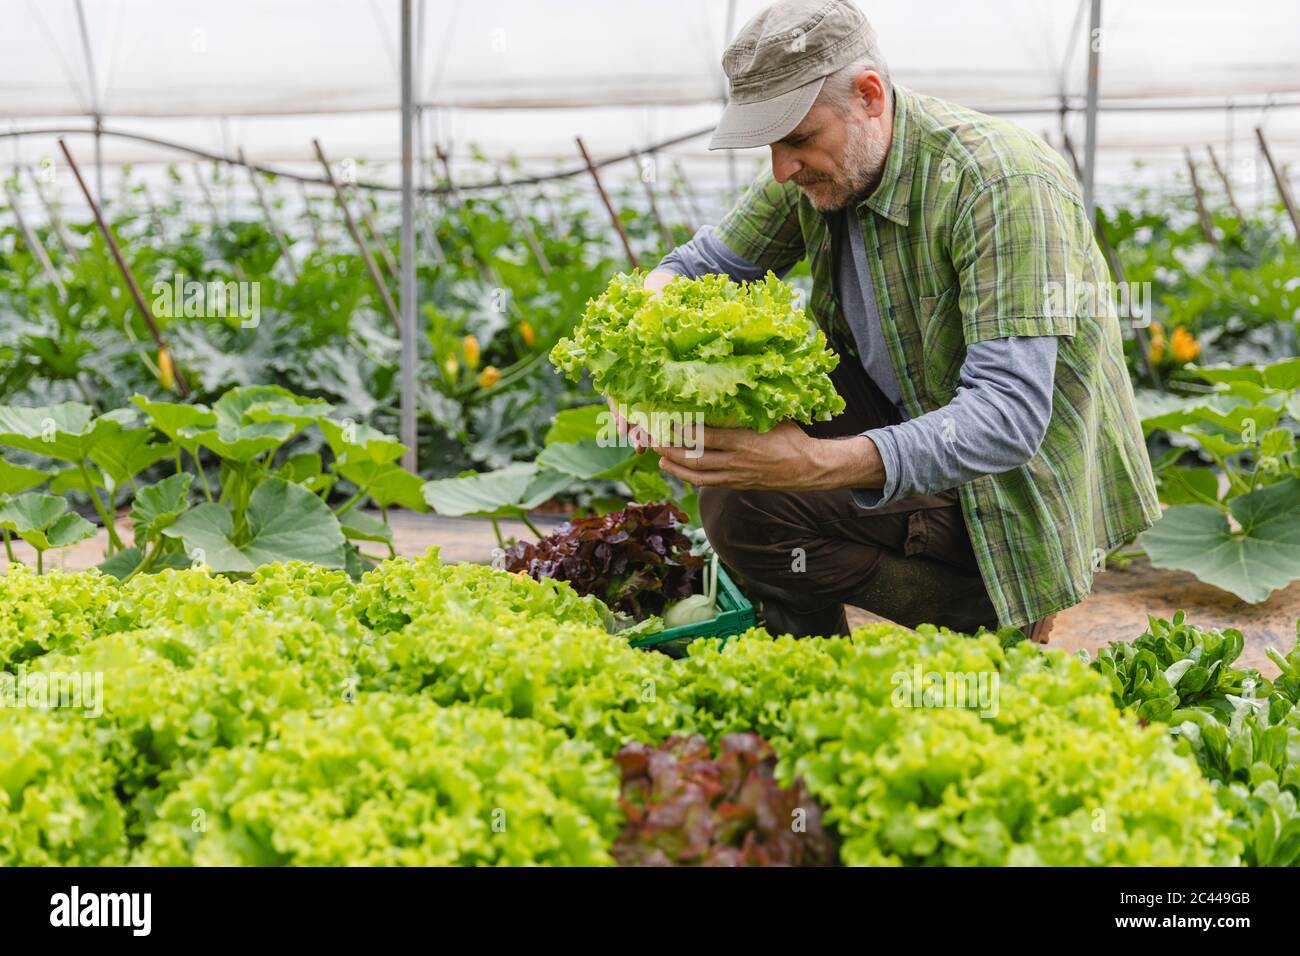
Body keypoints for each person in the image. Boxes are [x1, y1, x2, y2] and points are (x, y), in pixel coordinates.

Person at [618, 0, 1159, 642]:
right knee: (739, 496)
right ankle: (809, 668)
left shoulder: (1000, 185)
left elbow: (1007, 419)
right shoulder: (822, 169)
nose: (781, 168)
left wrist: (811, 465)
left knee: (772, 483)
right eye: (770, 144)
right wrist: (639, 354)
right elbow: (699, 266)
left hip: (1007, 486)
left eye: (796, 139)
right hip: (901, 418)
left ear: (870, 96)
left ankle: (988, 609)